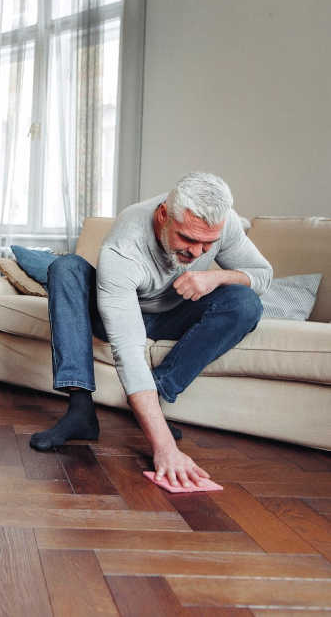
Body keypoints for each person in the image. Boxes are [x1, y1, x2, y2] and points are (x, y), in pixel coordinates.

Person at [29, 172, 272, 488]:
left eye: (208, 244)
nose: (198, 253)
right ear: (163, 216)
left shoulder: (223, 225)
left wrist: (217, 277)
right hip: (114, 311)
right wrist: (165, 448)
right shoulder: (124, 245)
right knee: (65, 268)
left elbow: (263, 275)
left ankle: (156, 393)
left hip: (173, 313)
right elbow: (128, 348)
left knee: (245, 302)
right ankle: (80, 411)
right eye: (187, 239)